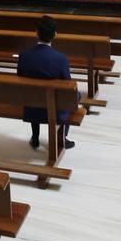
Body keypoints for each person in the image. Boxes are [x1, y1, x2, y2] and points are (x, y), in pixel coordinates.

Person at [17, 16, 74, 150]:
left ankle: (35, 137)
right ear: (55, 34)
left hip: (31, 106)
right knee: (72, 97)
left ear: (36, 32)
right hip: (54, 108)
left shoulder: (24, 55)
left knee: (33, 93)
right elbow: (67, 85)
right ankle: (62, 138)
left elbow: (20, 77)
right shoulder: (60, 59)